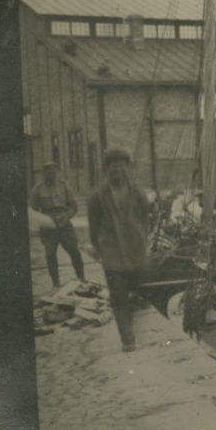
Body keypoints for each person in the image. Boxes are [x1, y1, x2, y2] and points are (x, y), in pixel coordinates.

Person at [87, 149, 150, 353]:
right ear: (107, 171)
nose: (118, 172)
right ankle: (127, 339)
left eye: (122, 168)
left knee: (138, 291)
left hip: (135, 252)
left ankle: (133, 325)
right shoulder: (97, 196)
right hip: (113, 254)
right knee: (118, 295)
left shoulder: (138, 193)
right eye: (114, 168)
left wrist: (140, 241)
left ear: (127, 170)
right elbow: (93, 227)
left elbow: (144, 220)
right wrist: (101, 250)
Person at [30, 161, 85, 289]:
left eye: (54, 173)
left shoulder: (64, 185)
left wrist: (67, 216)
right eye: (49, 173)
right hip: (48, 227)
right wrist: (42, 221)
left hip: (64, 224)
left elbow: (74, 206)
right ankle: (56, 285)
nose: (52, 175)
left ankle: (81, 280)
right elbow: (31, 211)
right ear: (44, 173)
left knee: (75, 251)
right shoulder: (37, 189)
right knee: (50, 255)